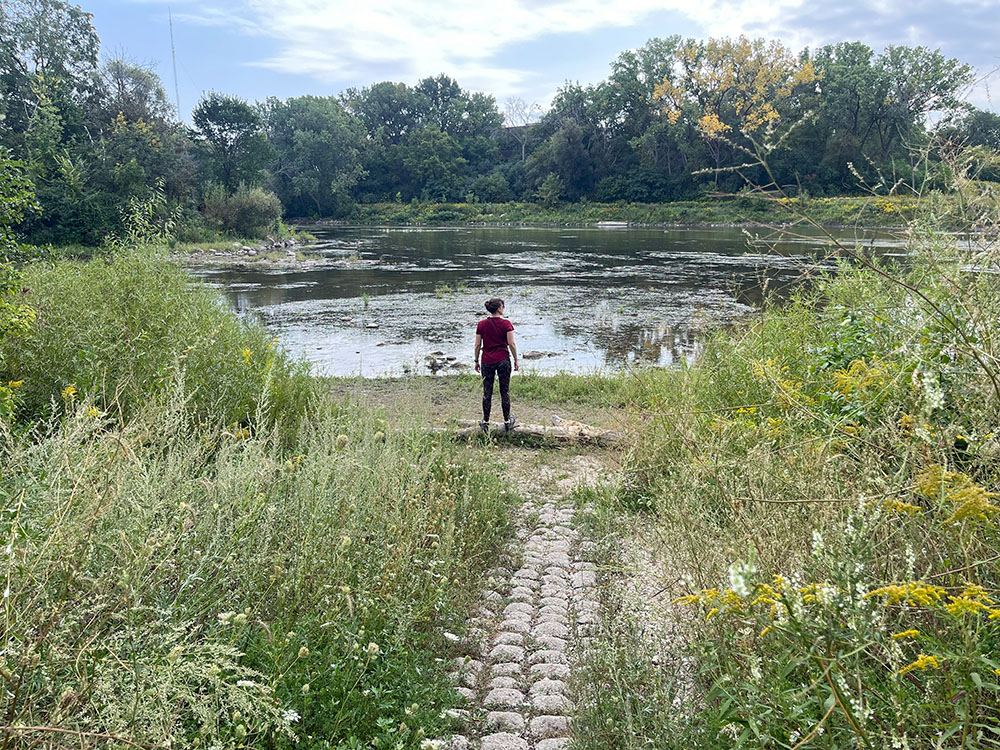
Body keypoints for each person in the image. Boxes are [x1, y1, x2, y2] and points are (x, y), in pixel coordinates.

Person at [474, 297, 519, 432]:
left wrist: (476, 361)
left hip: (487, 361)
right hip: (503, 360)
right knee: (504, 391)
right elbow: (511, 343)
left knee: (487, 392)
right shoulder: (506, 324)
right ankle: (507, 421)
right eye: (503, 307)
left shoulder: (481, 324)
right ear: (499, 308)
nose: (503, 309)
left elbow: (477, 345)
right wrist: (516, 360)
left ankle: (486, 422)